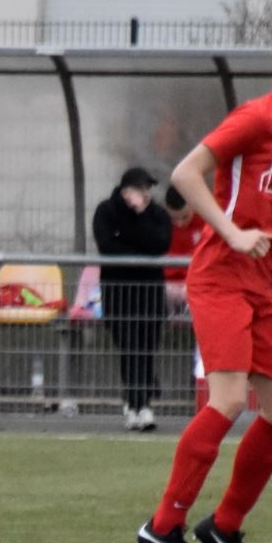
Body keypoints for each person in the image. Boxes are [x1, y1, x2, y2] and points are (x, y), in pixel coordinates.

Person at [136, 20, 272, 543]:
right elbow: (186, 174)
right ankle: (163, 526)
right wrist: (229, 231)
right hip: (221, 276)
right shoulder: (254, 117)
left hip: (261, 285)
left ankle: (224, 526)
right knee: (226, 400)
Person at [94, 167, 172, 431]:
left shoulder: (156, 214)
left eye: (147, 189)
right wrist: (139, 248)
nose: (146, 194)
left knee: (146, 348)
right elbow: (107, 247)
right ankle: (135, 404)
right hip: (119, 293)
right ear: (126, 191)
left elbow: (160, 244)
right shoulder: (106, 211)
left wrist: (139, 219)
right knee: (128, 348)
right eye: (140, 188)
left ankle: (142, 404)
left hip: (150, 293)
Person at [163, 186, 205, 317]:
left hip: (196, 283)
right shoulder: (160, 222)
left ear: (193, 205)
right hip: (167, 285)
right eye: (174, 219)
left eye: (184, 217)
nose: (179, 223)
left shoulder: (207, 222)